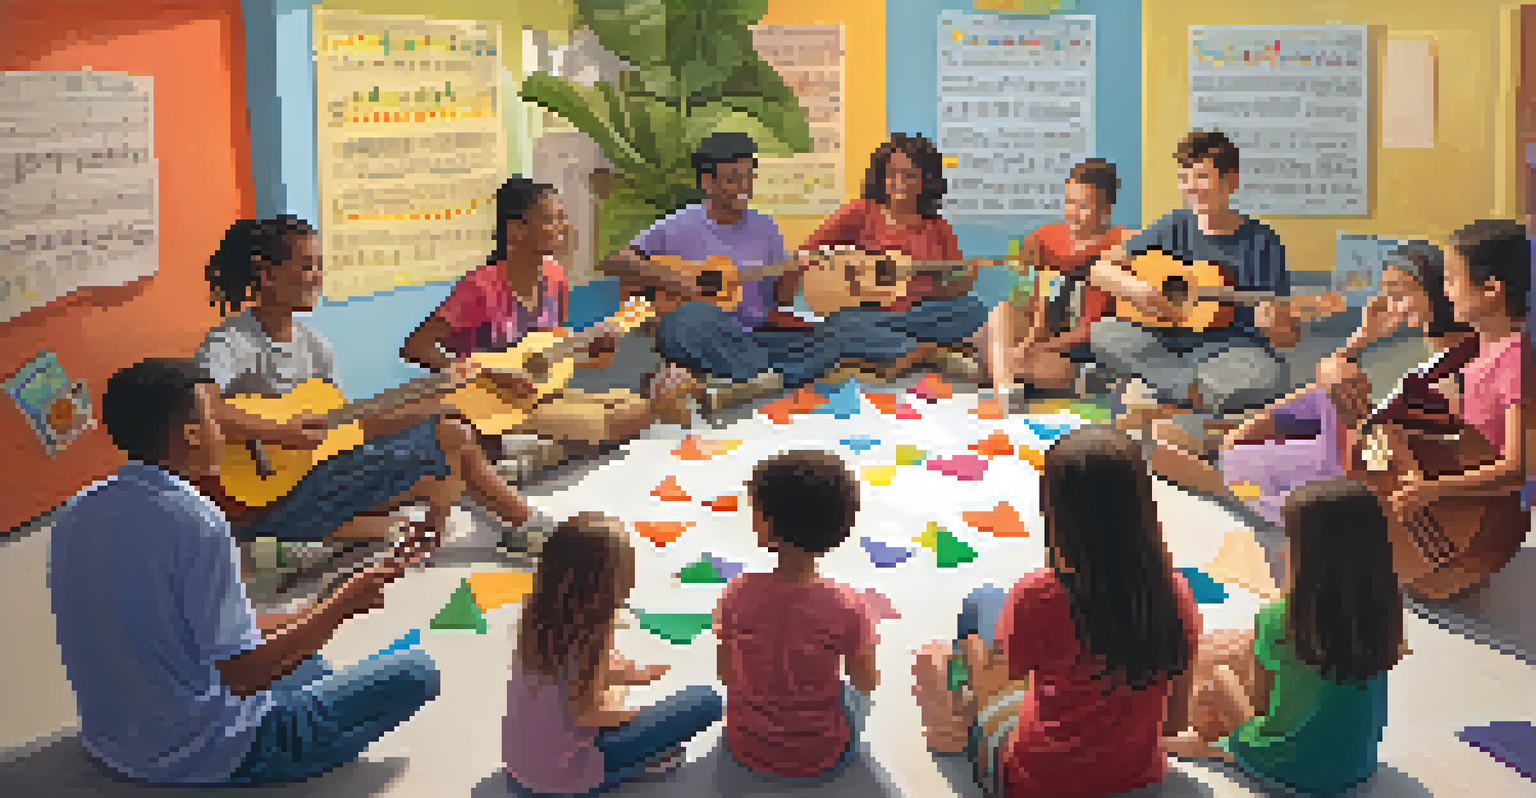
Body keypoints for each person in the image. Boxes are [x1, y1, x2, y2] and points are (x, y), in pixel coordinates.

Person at [50, 358, 441, 785]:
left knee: (311, 662)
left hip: (111, 741)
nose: (225, 433)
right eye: (217, 420)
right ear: (192, 435)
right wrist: (342, 606)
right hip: (212, 752)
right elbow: (243, 676)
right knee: (417, 673)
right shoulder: (197, 520)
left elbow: (183, 625)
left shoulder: (78, 509)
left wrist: (312, 610)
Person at [196, 215, 551, 560]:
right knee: (448, 446)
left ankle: (398, 532)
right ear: (267, 275)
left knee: (451, 431)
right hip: (262, 499)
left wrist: (442, 401)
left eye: (320, 266)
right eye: (306, 266)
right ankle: (529, 525)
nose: (317, 277)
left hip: (317, 478)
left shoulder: (316, 345)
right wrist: (279, 431)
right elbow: (200, 405)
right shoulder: (232, 342)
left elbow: (348, 428)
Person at [911, 425, 1202, 797]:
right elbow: (1175, 724)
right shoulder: (1175, 596)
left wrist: (973, 658)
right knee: (989, 609)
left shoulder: (1037, 596)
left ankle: (954, 716)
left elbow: (1001, 680)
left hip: (1037, 782)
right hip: (1137, 782)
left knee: (979, 604)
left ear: (1055, 510)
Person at [1149, 242, 1473, 519]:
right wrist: (1360, 340)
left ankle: (1226, 473)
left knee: (1248, 453)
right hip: (1359, 450)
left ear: (1436, 291)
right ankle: (1221, 446)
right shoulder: (1437, 348)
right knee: (1310, 401)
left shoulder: (1454, 360)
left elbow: (1395, 448)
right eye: (1386, 293)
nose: (1387, 305)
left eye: (1399, 293)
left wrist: (1349, 359)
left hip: (1365, 472)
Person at [400, 177, 655, 480]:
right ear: (516, 230)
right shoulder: (481, 286)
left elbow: (551, 353)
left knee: (638, 407)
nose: (562, 227)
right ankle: (498, 446)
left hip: (541, 394)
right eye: (550, 219)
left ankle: (515, 452)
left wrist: (596, 350)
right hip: (491, 401)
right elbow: (415, 346)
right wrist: (486, 373)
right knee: (607, 422)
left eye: (562, 218)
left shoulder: (554, 276)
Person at [1164, 479, 1404, 795]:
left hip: (1290, 768)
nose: (1281, 552)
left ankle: (1190, 744)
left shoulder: (1281, 619)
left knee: (1216, 684)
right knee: (1236, 649)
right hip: (1354, 766)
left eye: (1290, 542)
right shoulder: (1382, 616)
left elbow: (1260, 703)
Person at [1088, 130, 1299, 443]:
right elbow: (1100, 270)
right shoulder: (1172, 226)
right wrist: (1138, 291)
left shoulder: (1263, 241)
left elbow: (1287, 339)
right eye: (1183, 177)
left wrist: (1273, 327)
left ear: (1231, 181)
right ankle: (1195, 399)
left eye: (1201, 176)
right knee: (1104, 331)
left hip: (1230, 352)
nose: (1190, 187)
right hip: (1165, 344)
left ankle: (1167, 400)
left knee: (1271, 374)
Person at [503, 512, 722, 794]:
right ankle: (633, 767)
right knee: (706, 701)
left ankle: (630, 759)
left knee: (612, 697)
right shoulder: (591, 636)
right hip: (558, 777)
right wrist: (637, 716)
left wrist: (630, 675)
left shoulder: (535, 616)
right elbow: (587, 715)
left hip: (520, 764)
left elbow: (563, 681)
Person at [715, 450, 879, 781]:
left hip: (745, 746)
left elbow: (726, 675)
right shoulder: (848, 606)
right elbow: (866, 681)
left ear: (764, 525)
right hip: (822, 754)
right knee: (851, 697)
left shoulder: (737, 594)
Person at [791, 132, 990, 379]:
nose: (899, 181)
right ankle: (922, 350)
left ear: (924, 181)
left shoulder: (937, 226)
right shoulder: (861, 211)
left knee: (974, 309)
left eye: (908, 175)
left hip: (920, 314)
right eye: (892, 173)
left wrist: (965, 280)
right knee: (840, 325)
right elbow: (808, 250)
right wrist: (845, 273)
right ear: (881, 177)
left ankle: (894, 348)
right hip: (870, 313)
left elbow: (946, 292)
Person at [1388, 219, 1529, 522]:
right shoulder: (1481, 352)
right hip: (1470, 506)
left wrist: (1433, 490)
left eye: (1451, 279)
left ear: (1491, 289)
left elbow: (1518, 468)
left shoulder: (1517, 361)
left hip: (1494, 519)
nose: (1445, 291)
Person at [977, 158, 1128, 415]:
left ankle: (1019, 371)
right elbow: (1027, 294)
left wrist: (1041, 347)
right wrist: (1028, 339)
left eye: (1084, 206)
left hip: (1078, 345)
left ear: (1106, 209)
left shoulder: (1119, 244)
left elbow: (1091, 327)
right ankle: (1007, 389)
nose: (1073, 212)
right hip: (1043, 329)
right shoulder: (1047, 235)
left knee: (999, 355)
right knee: (1000, 315)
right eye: (1069, 203)